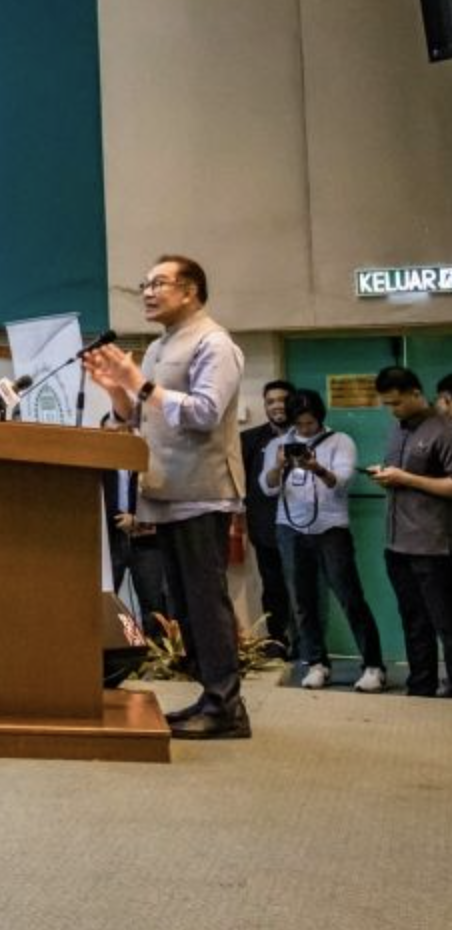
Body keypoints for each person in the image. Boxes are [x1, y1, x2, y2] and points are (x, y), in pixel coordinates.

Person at [85, 254, 250, 740]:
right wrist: (118, 393)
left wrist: (138, 383)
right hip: (164, 490)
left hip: (202, 491)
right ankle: (210, 696)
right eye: (145, 284)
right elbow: (142, 417)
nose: (148, 292)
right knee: (185, 603)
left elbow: (204, 413)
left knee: (205, 601)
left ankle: (226, 707)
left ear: (191, 290)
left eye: (159, 283)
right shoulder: (160, 346)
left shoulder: (215, 343)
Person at [259, 388, 384, 692]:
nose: (305, 429)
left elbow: (341, 483)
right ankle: (316, 663)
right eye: (299, 423)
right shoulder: (278, 445)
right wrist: (278, 466)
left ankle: (373, 666)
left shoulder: (340, 441)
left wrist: (317, 468)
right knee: (302, 601)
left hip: (331, 529)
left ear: (319, 418)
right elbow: (267, 487)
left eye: (310, 423)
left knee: (349, 597)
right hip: (290, 529)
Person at [365, 366, 452, 698]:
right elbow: (402, 478)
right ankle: (421, 687)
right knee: (413, 621)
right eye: (387, 404)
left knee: (446, 623)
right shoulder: (396, 430)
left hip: (433, 546)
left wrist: (406, 478)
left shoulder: (444, 429)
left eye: (397, 403)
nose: (393, 410)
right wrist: (386, 476)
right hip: (397, 544)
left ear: (417, 393)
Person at [239, 378, 299, 653]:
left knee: (304, 585)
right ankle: (277, 639)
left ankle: (308, 643)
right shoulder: (249, 439)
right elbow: (241, 484)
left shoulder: (309, 435)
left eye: (283, 400)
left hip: (304, 526)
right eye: (271, 401)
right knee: (273, 585)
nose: (277, 406)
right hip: (265, 527)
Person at [102, 411, 172, 628]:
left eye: (120, 431)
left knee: (154, 606)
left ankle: (156, 647)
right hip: (110, 542)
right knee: (104, 602)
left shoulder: (149, 463)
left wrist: (137, 520)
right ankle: (109, 646)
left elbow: (163, 503)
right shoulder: (98, 466)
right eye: (109, 433)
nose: (116, 437)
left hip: (147, 543)